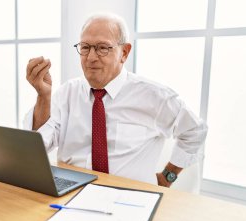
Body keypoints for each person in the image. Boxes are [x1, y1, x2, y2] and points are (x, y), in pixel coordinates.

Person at [23, 13, 207, 187]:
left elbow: (195, 131)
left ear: (124, 52)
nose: (91, 58)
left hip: (131, 198)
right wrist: (43, 96)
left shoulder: (154, 96)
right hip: (70, 192)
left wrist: (168, 176)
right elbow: (38, 146)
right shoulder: (66, 93)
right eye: (85, 47)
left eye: (102, 48)